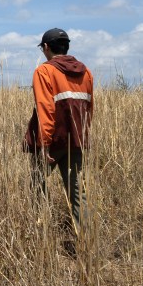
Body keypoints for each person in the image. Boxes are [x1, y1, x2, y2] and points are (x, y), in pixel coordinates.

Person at [23, 28, 93, 228]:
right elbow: (89, 108)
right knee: (78, 191)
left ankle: (40, 229)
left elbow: (46, 110)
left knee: (38, 183)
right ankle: (85, 240)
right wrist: (82, 137)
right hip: (77, 140)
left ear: (46, 47)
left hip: (53, 141)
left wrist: (44, 145)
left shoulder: (44, 71)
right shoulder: (86, 72)